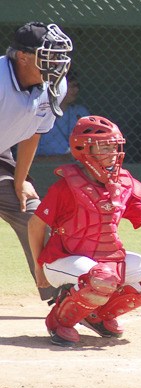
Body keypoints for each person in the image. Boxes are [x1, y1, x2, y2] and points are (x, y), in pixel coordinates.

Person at [28, 115, 141, 347]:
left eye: (114, 147)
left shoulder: (123, 184)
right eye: (104, 147)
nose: (112, 153)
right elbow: (35, 224)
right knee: (102, 278)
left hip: (106, 262)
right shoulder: (66, 186)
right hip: (62, 260)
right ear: (83, 149)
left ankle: (97, 315)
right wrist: (39, 268)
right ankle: (59, 320)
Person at [0, 21, 73, 302]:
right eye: (49, 55)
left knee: (35, 215)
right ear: (22, 57)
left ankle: (62, 297)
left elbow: (33, 132)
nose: (57, 62)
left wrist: (20, 182)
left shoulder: (55, 85)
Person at [35, 69, 89, 162]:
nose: (76, 90)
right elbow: (30, 159)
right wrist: (62, 159)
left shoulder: (80, 112)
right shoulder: (41, 113)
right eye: (71, 86)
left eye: (76, 86)